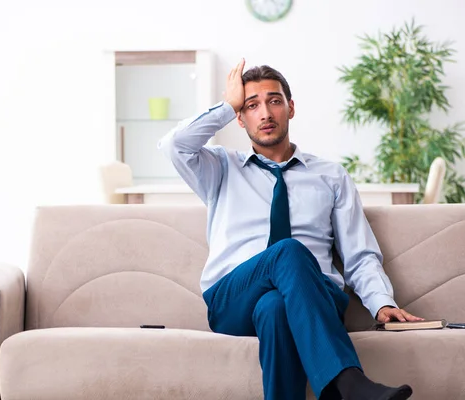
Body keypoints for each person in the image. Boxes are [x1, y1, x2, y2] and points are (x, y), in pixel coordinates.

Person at [157, 59, 422, 400]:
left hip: (315, 296)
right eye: (251, 105)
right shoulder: (221, 168)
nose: (265, 113)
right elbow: (173, 145)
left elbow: (359, 254)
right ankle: (350, 383)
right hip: (232, 297)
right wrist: (226, 104)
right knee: (289, 250)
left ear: (291, 108)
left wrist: (380, 303)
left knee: (275, 308)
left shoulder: (331, 176)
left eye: (274, 101)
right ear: (240, 117)